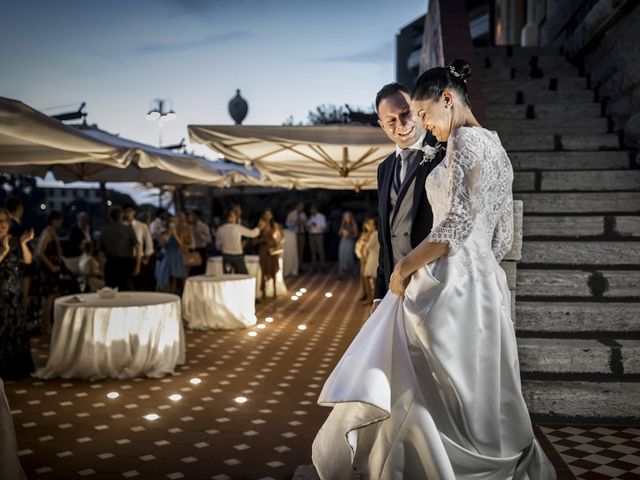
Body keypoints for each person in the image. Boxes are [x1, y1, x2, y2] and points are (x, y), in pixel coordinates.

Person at [312, 61, 556, 479]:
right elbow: (500, 237)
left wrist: (407, 267)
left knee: (419, 376)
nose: (423, 124)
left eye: (422, 114)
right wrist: (479, 268)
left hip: (448, 277)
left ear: (447, 100)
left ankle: (429, 466)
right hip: (482, 281)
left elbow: (456, 224)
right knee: (470, 385)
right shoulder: (496, 146)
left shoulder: (463, 141)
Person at [0, 208, 35, 380]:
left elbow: (28, 261)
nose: (3, 226)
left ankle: (18, 369)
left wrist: (23, 244)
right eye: (0, 223)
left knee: (16, 330)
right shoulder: (4, 244)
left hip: (15, 292)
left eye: (5, 222)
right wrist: (4, 250)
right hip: (1, 294)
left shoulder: (14, 240)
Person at [36, 210, 72, 334]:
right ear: (53, 220)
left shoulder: (52, 232)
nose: (60, 222)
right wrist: (51, 266)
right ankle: (46, 325)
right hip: (48, 270)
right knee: (49, 298)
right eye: (58, 220)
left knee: (54, 296)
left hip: (53, 269)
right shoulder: (48, 233)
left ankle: (50, 323)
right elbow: (40, 252)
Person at [99, 206, 141, 291]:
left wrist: (101, 269)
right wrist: (137, 265)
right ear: (122, 216)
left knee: (110, 291)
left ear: (110, 216)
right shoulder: (129, 230)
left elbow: (101, 253)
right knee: (125, 291)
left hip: (111, 263)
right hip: (126, 264)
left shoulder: (105, 231)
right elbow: (138, 248)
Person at [215, 210, 260, 274]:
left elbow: (218, 246)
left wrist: (225, 247)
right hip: (237, 256)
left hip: (226, 256)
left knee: (228, 277)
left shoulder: (220, 229)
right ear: (231, 217)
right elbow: (252, 234)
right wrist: (259, 228)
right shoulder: (237, 228)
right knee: (243, 276)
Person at [123, 203, 154, 290]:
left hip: (139, 257)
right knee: (127, 285)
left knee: (139, 284)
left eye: (129, 211)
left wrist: (147, 257)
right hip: (125, 258)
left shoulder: (141, 226)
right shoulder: (122, 226)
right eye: (125, 212)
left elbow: (148, 242)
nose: (127, 214)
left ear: (133, 212)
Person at [155, 215, 187, 294]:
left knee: (174, 278)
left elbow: (182, 246)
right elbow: (161, 244)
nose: (173, 224)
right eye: (171, 222)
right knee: (164, 276)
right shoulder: (163, 231)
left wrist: (175, 235)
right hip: (166, 256)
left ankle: (173, 294)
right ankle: (164, 293)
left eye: (174, 222)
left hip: (176, 256)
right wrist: (169, 234)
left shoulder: (180, 232)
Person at [257, 210, 283, 299]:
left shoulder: (275, 225)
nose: (267, 216)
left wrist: (277, 242)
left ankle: (275, 290)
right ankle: (263, 291)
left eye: (269, 214)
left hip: (272, 250)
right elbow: (257, 237)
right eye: (265, 214)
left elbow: (281, 237)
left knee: (273, 269)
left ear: (271, 216)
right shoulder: (261, 224)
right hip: (264, 250)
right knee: (264, 269)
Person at [362, 217, 380, 304]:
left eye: (371, 224)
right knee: (371, 277)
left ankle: (371, 298)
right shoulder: (374, 234)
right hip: (372, 257)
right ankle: (371, 297)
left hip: (374, 258)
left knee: (371, 278)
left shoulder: (375, 234)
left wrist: (365, 242)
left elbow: (368, 246)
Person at [337, 210, 359, 278]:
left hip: (350, 242)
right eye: (345, 217)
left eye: (347, 216)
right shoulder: (343, 224)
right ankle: (341, 272)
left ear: (350, 217)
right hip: (343, 241)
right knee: (342, 255)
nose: (346, 218)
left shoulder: (353, 224)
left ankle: (352, 271)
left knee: (349, 256)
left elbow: (356, 234)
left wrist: (349, 235)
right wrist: (342, 231)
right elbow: (339, 233)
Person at [285, 202, 307, 268]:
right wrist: (294, 223)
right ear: (297, 206)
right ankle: (294, 266)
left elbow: (306, 223)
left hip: (301, 233)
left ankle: (300, 266)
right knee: (295, 250)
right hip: (294, 234)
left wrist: (304, 223)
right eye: (301, 206)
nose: (302, 208)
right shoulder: (291, 214)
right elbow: (287, 223)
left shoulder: (303, 214)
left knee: (301, 250)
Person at [191, 210, 212, 276]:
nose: (190, 217)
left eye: (192, 215)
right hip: (191, 249)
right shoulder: (190, 226)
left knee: (201, 268)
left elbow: (209, 239)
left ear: (196, 216)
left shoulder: (203, 226)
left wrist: (200, 235)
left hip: (201, 249)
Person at [306, 205, 326, 272]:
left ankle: (322, 266)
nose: (312, 211)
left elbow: (324, 226)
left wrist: (316, 224)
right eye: (311, 210)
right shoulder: (310, 217)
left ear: (316, 210)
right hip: (311, 235)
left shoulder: (321, 217)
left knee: (320, 251)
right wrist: (308, 226)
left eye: (313, 209)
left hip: (319, 235)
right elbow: (307, 225)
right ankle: (314, 266)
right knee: (313, 251)